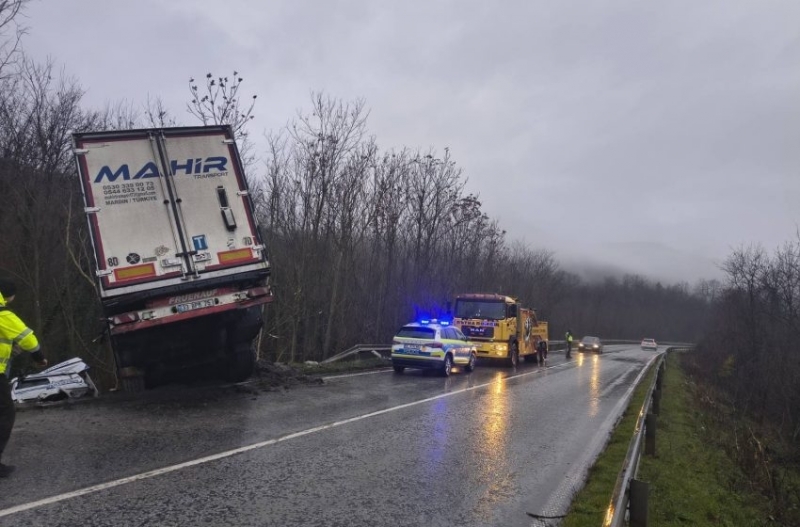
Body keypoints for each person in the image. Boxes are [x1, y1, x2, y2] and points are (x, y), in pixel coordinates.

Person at [0, 278, 47, 478]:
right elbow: (28, 339)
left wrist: (11, 351)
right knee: (6, 413)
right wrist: (39, 358)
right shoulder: (3, 314)